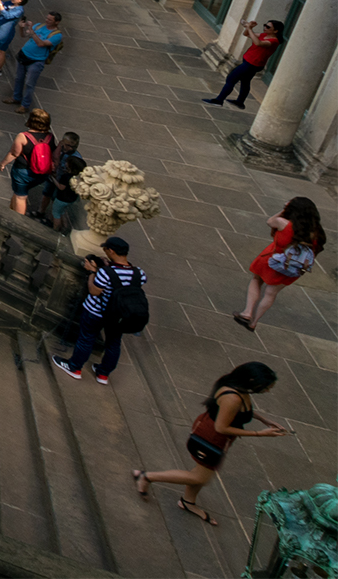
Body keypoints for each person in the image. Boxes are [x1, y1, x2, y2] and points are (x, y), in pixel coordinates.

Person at [135, 362, 290, 527]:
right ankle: (146, 477)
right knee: (200, 477)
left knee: (201, 473)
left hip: (215, 438)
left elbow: (242, 410)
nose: (267, 390)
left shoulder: (238, 387)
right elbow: (222, 427)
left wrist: (265, 421)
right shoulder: (233, 398)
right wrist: (260, 434)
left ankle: (188, 502)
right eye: (266, 387)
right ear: (251, 380)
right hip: (210, 439)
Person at [54, 237, 147, 383]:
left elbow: (94, 291)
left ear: (111, 251)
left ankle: (75, 368)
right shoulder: (139, 273)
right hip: (119, 316)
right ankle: (103, 374)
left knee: (86, 339)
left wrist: (92, 272)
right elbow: (126, 284)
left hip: (96, 312)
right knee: (113, 344)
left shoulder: (105, 273)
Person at [237, 197, 325, 331]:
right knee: (271, 294)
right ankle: (254, 322)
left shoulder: (283, 223)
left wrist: (284, 209)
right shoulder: (317, 233)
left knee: (256, 280)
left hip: (272, 260)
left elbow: (270, 221)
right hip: (293, 268)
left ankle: (247, 312)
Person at [204, 19, 285, 108]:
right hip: (249, 62)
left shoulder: (273, 41)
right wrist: (249, 28)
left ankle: (219, 100)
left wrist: (249, 28)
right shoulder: (264, 35)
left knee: (231, 79)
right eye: (265, 25)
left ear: (276, 31)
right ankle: (240, 102)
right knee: (245, 81)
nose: (265, 28)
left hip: (252, 64)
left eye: (268, 27)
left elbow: (258, 43)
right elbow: (246, 34)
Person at [0, 108, 56, 214]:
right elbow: (54, 154)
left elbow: (13, 154)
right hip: (42, 174)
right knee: (17, 193)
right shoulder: (50, 137)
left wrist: (2, 164)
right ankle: (11, 211)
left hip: (23, 172)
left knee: (21, 197)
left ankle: (18, 223)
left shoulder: (23, 136)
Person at [10, 11, 65, 110]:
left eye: (50, 20)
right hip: (24, 54)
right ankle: (16, 98)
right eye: (47, 18)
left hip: (36, 60)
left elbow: (41, 44)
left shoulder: (56, 35)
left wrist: (32, 32)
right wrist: (21, 27)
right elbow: (24, 35)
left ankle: (25, 105)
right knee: (18, 78)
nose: (46, 20)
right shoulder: (39, 26)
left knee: (29, 83)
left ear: (57, 22)